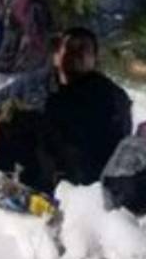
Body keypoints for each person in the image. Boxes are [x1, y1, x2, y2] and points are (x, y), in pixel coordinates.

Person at [39, 27, 133, 185]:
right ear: (56, 56)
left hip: (85, 180)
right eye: (70, 47)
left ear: (94, 59)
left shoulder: (106, 95)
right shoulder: (43, 85)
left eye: (84, 48)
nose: (77, 53)